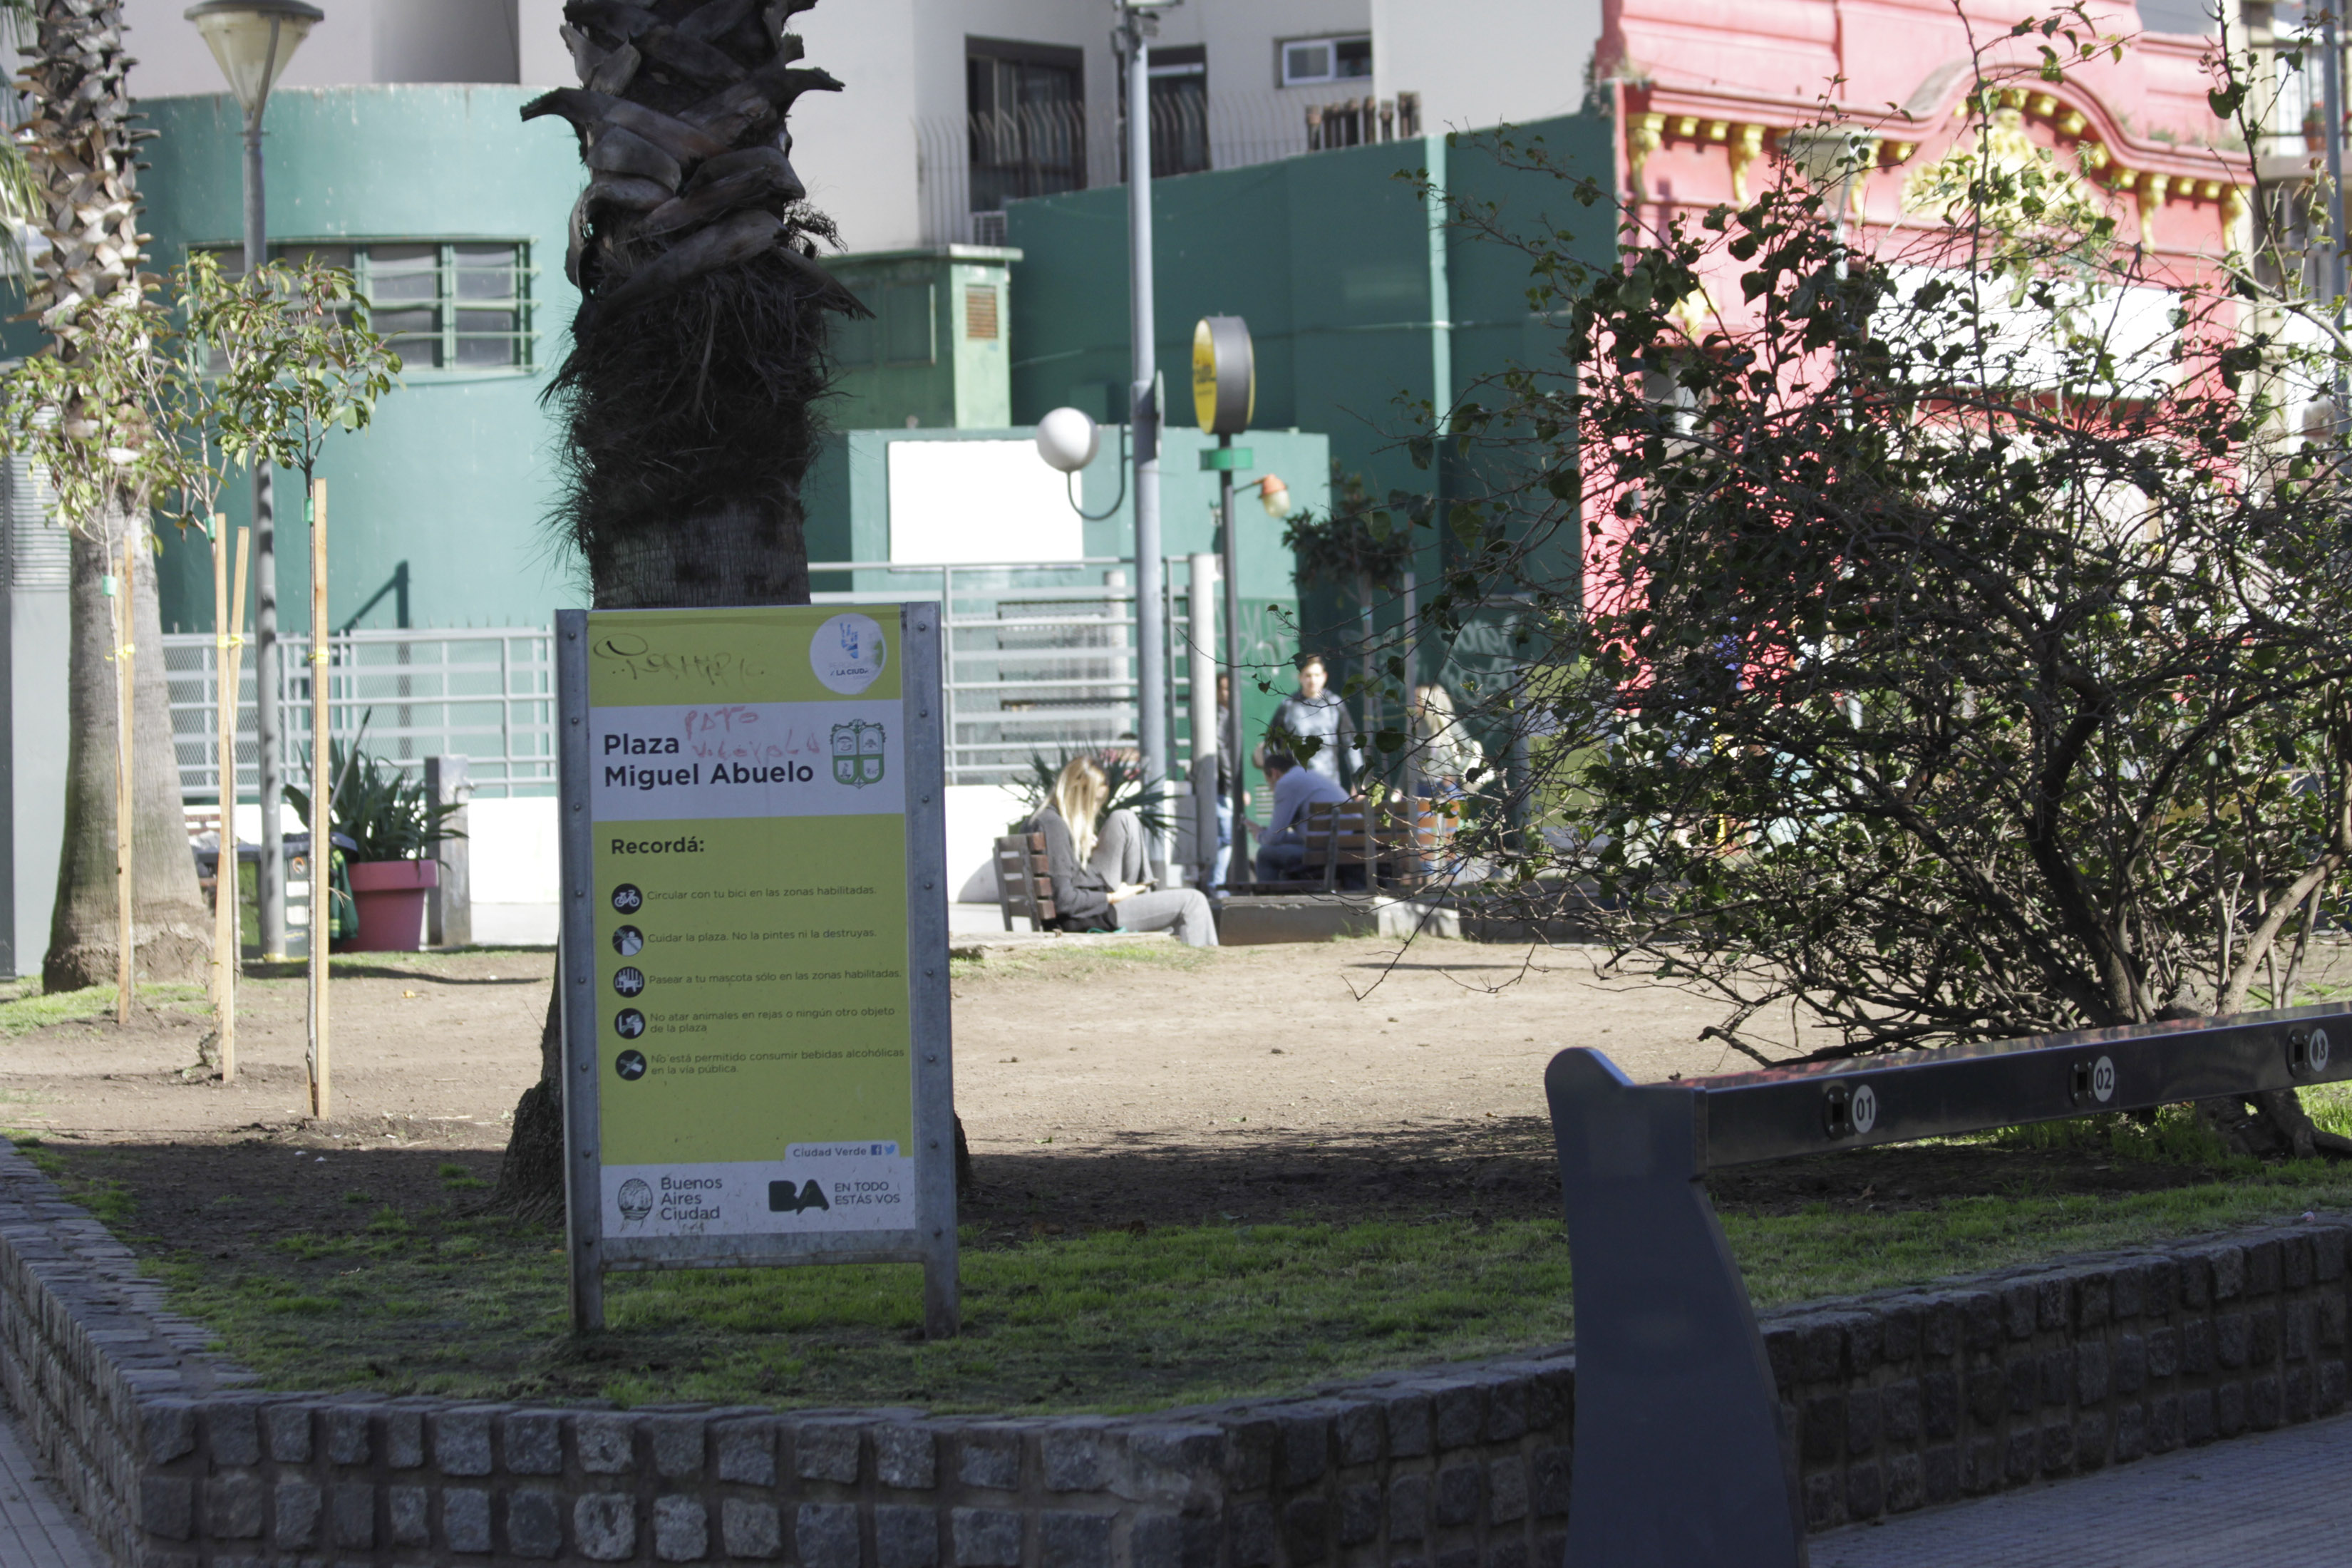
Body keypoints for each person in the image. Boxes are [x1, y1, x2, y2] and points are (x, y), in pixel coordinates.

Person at [1025, 756, 1218, 947]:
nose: (1096, 809)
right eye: (1095, 800)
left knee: (1124, 818)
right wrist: (1113, 897)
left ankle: (1145, 898)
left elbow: (1063, 878)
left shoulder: (1044, 820)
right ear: (1076, 792)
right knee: (1194, 901)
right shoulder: (1053, 825)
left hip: (1092, 910)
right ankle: (1206, 967)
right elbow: (1064, 900)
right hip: (1091, 918)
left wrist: (1079, 844)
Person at [1253, 745, 1351, 884]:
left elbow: (1274, 839)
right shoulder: (1310, 775)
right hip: (1348, 846)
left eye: (1269, 783)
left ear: (1275, 773)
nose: (1270, 790)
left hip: (1326, 852)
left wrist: (1259, 835)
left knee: (1265, 854)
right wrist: (1269, 835)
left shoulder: (1286, 783)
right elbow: (1301, 838)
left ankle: (1267, 902)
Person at [1269, 653, 1356, 788]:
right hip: (1298, 785)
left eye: (1316, 675)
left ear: (1324, 677)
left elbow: (1351, 744)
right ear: (1300, 677)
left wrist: (1358, 781)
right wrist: (1275, 778)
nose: (1312, 680)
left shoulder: (1335, 705)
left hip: (1329, 784)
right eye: (1308, 675)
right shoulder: (1288, 706)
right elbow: (1271, 744)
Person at [1408, 683, 1485, 801]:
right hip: (1420, 786)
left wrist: (1454, 774)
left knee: (1449, 817)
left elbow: (1470, 749)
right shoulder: (1418, 725)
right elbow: (1409, 758)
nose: (1414, 702)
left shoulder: (1449, 723)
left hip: (1444, 786)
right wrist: (1399, 788)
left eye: (1418, 698)